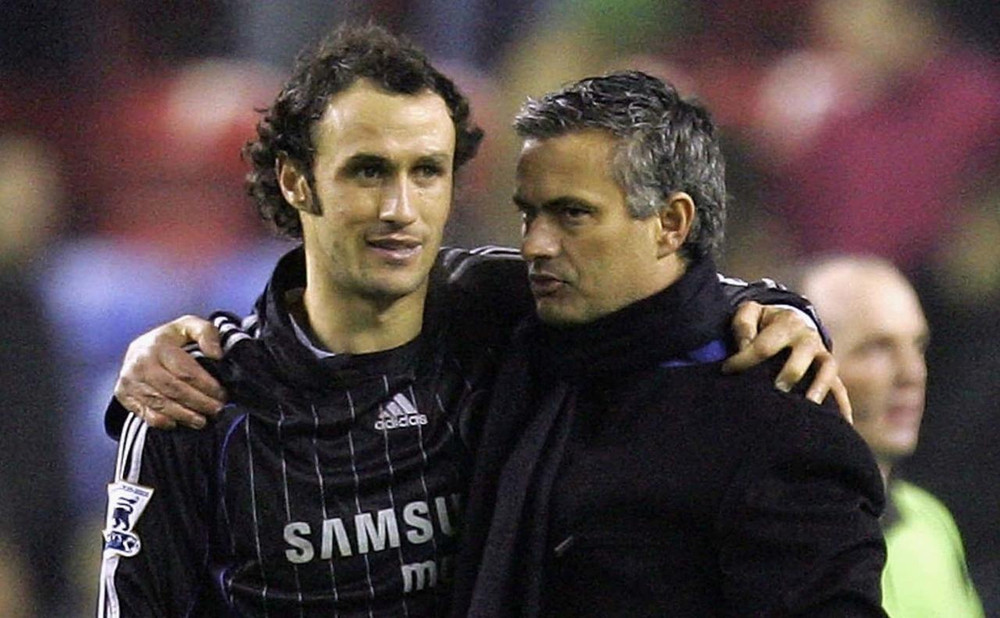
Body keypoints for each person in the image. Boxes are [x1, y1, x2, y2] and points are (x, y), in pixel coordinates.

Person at [100, 25, 850, 617]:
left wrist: (782, 310)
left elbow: (661, 289)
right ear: (297, 180)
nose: (400, 209)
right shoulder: (199, 404)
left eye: (427, 171)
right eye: (369, 170)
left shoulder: (508, 316)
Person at [450, 71, 886, 617]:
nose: (535, 245)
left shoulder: (775, 421)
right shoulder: (507, 340)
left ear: (672, 223)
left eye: (572, 214)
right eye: (527, 214)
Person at [795, 255, 984, 618]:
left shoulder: (929, 519)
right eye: (876, 348)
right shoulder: (770, 538)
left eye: (919, 346)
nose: (913, 373)